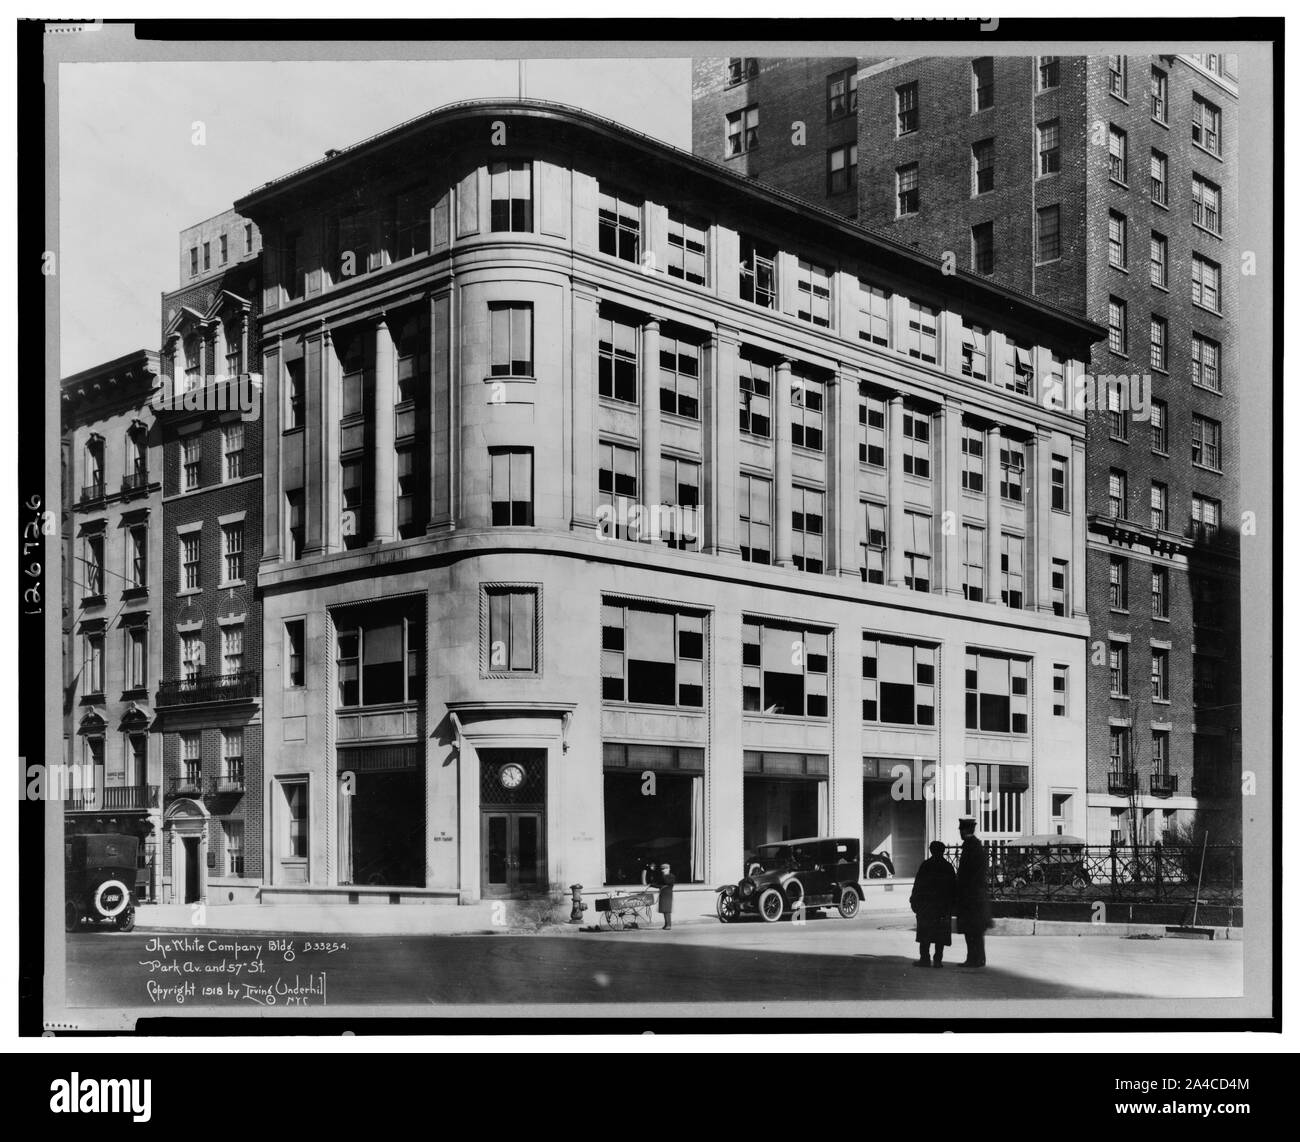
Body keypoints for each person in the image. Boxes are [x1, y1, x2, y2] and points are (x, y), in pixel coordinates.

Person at [909, 840, 957, 968]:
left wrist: (914, 901)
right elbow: (953, 888)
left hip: (927, 906)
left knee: (925, 932)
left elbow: (917, 885)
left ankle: (924, 959)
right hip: (942, 907)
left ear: (931, 850)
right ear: (943, 851)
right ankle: (938, 960)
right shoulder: (948, 867)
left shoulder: (926, 865)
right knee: (940, 934)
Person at [955, 816, 992, 967]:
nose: (960, 832)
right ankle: (979, 958)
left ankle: (973, 959)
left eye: (961, 830)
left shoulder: (970, 847)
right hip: (977, 896)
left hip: (971, 897)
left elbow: (967, 874)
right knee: (976, 931)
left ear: (965, 830)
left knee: (971, 930)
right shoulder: (976, 846)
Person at [649, 862, 676, 930]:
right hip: (663, 894)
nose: (663, 870)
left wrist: (664, 875)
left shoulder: (671, 876)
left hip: (668, 894)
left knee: (667, 910)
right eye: (662, 869)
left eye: (664, 869)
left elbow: (667, 883)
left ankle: (669, 925)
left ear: (668, 869)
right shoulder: (663, 876)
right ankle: (666, 924)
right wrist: (652, 885)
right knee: (664, 910)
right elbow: (660, 885)